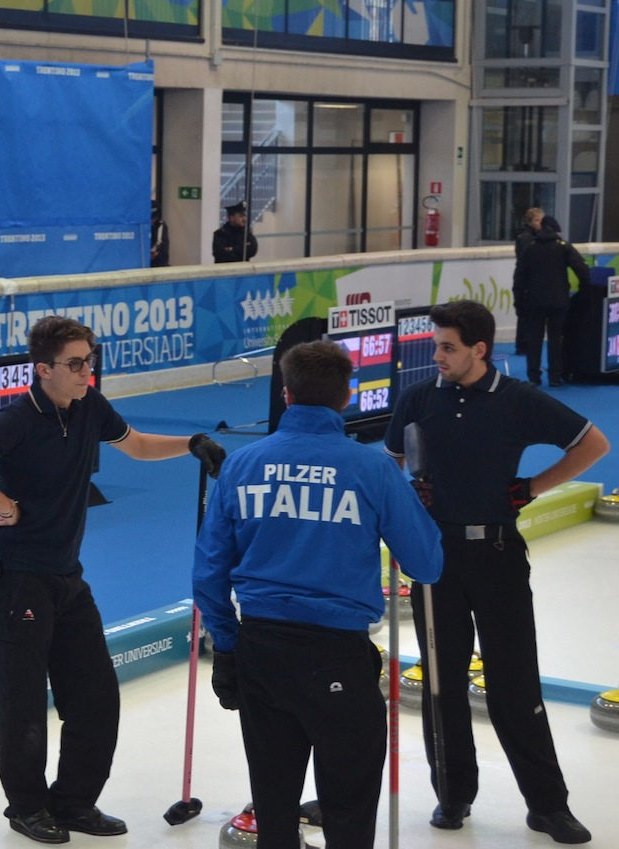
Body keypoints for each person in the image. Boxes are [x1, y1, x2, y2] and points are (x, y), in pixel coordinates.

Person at [0, 316, 225, 845]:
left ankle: (74, 802)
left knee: (96, 697)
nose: (86, 372)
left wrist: (190, 442)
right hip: (17, 583)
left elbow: (138, 445)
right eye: (75, 364)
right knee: (24, 706)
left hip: (67, 579)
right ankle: (28, 808)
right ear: (43, 369)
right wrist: (6, 505)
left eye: (90, 362)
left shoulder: (89, 407)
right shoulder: (17, 418)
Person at [193, 339, 444, 849]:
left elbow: (208, 572)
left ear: (285, 395)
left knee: (273, 807)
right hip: (337, 658)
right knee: (348, 811)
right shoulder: (373, 469)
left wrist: (227, 645)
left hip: (261, 651)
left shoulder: (242, 466)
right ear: (346, 395)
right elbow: (426, 565)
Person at [384, 300, 609, 846]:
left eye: (447, 347)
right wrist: (406, 506)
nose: (436, 355)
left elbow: (593, 444)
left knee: (514, 682)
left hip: (499, 557)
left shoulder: (517, 400)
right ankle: (453, 794)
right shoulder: (416, 399)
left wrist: (531, 488)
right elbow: (389, 464)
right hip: (435, 562)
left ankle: (547, 806)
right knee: (443, 685)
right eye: (435, 345)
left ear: (479, 350)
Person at [513, 215, 591, 387]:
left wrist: (519, 303)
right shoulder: (563, 247)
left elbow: (519, 278)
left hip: (534, 301)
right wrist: (585, 290)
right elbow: (582, 269)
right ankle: (555, 376)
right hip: (559, 301)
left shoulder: (530, 248)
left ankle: (534, 376)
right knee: (556, 338)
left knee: (534, 339)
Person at [513, 207, 545, 355]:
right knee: (524, 314)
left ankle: (528, 343)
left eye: (541, 220)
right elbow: (523, 260)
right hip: (525, 279)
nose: (540, 223)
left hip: (536, 280)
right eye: (537, 220)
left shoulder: (543, 237)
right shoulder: (524, 238)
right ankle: (521, 345)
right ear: (530, 222)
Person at [150, 200, 169, 267]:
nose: (151, 221)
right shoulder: (144, 227)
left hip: (160, 263)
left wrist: (151, 252)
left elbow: (159, 242)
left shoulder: (161, 225)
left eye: (152, 218)